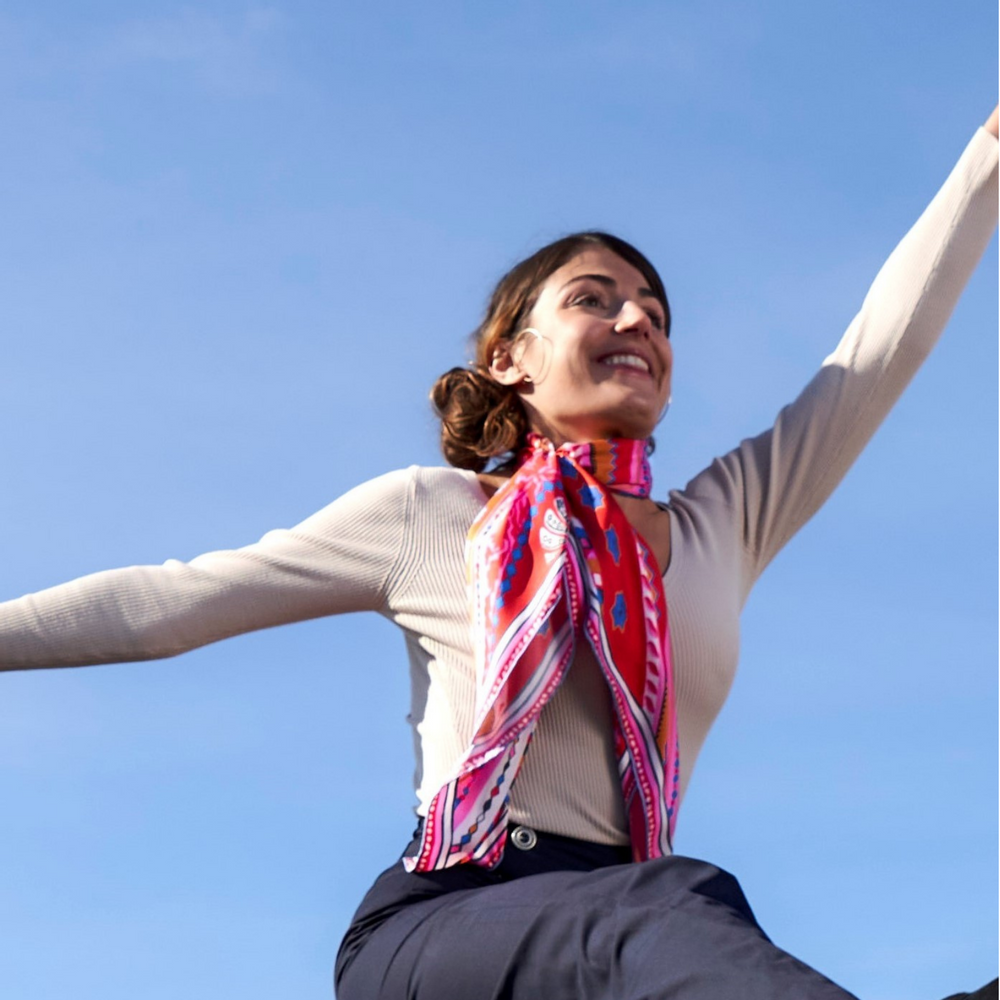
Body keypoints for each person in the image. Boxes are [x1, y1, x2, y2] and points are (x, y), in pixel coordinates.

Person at [1, 106, 997, 999]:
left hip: (626, 947)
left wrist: (989, 155)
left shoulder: (722, 524)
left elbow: (878, 352)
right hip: (443, 924)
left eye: (654, 308)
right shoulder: (431, 513)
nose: (638, 318)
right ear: (507, 357)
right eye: (593, 299)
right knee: (664, 909)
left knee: (658, 919)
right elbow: (168, 605)